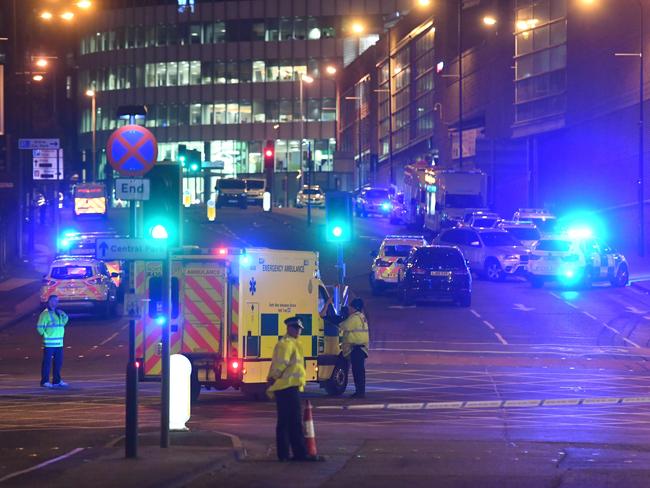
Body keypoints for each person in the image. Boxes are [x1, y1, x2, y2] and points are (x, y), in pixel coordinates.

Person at [267, 316, 322, 462]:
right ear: (289, 328)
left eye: (300, 329)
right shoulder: (286, 344)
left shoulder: (293, 343)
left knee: (290, 422)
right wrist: (273, 377)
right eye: (296, 328)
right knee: (290, 422)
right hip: (286, 387)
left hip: (290, 387)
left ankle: (289, 454)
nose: (298, 331)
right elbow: (280, 364)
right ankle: (295, 454)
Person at [338, 298, 369, 398]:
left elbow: (343, 326)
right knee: (359, 371)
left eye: (350, 307)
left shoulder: (354, 318)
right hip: (361, 348)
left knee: (357, 372)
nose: (349, 309)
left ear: (354, 308)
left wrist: (342, 318)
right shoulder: (361, 316)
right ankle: (360, 391)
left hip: (357, 349)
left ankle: (359, 393)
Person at [37, 295, 69, 388]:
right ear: (49, 301)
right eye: (54, 300)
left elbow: (63, 322)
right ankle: (45, 381)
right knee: (47, 363)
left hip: (59, 343)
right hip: (49, 344)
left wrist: (64, 316)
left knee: (58, 363)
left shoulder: (58, 312)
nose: (56, 302)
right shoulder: (45, 314)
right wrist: (45, 335)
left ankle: (57, 381)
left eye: (57, 301)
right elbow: (39, 328)